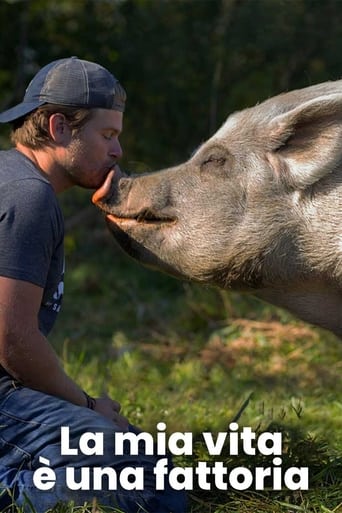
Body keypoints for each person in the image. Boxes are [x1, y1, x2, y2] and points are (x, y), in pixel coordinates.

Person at [0, 57, 186, 513]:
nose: (118, 151)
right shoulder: (29, 196)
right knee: (144, 478)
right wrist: (87, 405)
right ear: (60, 127)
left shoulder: (11, 177)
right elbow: (11, 339)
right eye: (107, 136)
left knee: (145, 464)